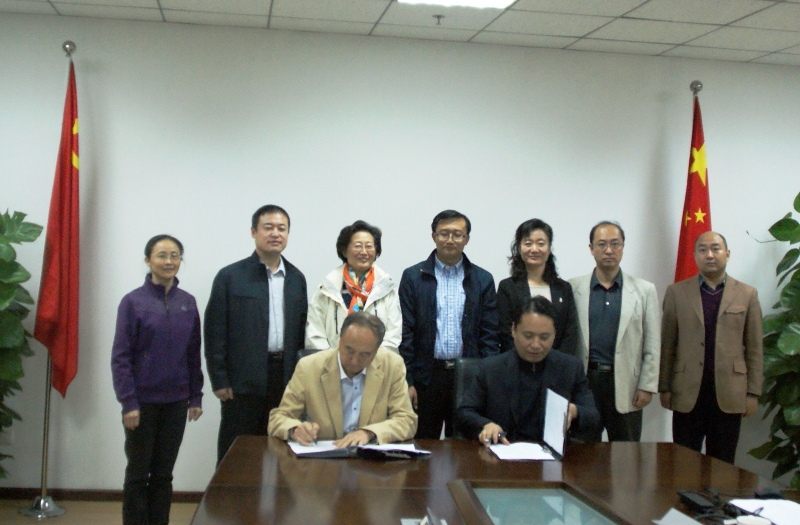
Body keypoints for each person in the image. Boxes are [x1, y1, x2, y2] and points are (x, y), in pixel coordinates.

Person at [205, 204, 308, 464]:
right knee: (236, 452)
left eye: (282, 228)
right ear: (253, 232)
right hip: (242, 381)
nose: (275, 233)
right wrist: (219, 378)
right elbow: (215, 330)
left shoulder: (297, 279)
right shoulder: (230, 277)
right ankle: (229, 493)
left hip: (284, 378)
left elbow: (301, 332)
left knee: (279, 451)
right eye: (268, 227)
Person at [111, 235, 203, 525]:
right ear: (148, 260)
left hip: (176, 402)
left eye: (175, 255)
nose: (169, 261)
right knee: (138, 474)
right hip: (142, 404)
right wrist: (128, 403)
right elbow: (121, 357)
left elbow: (193, 353)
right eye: (162, 255)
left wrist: (196, 396)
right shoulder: (133, 302)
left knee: (164, 475)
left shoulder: (187, 303)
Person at [659, 231, 763, 464]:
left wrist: (752, 393)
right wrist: (664, 387)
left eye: (716, 249)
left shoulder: (747, 294)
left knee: (723, 466)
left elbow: (755, 349)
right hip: (687, 394)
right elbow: (667, 345)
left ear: (727, 254)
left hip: (730, 394)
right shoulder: (676, 293)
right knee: (683, 465)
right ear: (695, 255)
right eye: (703, 249)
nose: (710, 255)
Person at [399, 209, 500, 439]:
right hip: (427, 376)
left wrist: (488, 382)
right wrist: (408, 380)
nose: (450, 239)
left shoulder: (483, 279)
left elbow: (489, 335)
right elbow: (406, 333)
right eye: (444, 233)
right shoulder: (413, 277)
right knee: (423, 444)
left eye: (457, 234)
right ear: (433, 236)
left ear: (467, 239)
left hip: (469, 377)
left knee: (466, 447)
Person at [457, 296, 599, 445]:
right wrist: (486, 425)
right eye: (528, 336)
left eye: (544, 337)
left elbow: (593, 418)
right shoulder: (491, 368)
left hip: (549, 455)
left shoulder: (570, 367)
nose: (536, 345)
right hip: (504, 451)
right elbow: (464, 413)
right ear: (513, 330)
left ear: (554, 334)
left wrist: (575, 411)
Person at [568, 221, 660, 442]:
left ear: (623, 247)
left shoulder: (644, 290)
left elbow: (653, 343)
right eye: (601, 244)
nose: (608, 250)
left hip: (627, 385)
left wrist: (647, 386)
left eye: (615, 244)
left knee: (626, 455)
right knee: (583, 454)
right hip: (585, 384)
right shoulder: (572, 288)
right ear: (591, 249)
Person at [269, 312, 417, 446]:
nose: (354, 360)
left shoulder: (392, 366)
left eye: (365, 354)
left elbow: (407, 421)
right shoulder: (309, 367)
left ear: (376, 351)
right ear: (339, 341)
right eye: (349, 350)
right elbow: (278, 418)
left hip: (369, 461)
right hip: (322, 461)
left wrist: (369, 433)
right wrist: (295, 430)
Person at [305, 220, 402, 352]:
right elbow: (315, 334)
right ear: (345, 251)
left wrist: (371, 360)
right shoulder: (327, 288)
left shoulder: (386, 288)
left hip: (377, 363)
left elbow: (393, 335)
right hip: (333, 362)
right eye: (358, 246)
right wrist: (334, 362)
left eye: (369, 246)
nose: (364, 252)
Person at [497, 218, 579, 355]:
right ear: (519, 248)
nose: (534, 249)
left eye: (541, 243)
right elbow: (506, 333)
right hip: (517, 363)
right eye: (528, 243)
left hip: (558, 364)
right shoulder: (507, 287)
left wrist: (558, 362)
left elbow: (570, 334)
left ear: (549, 248)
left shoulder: (563, 288)